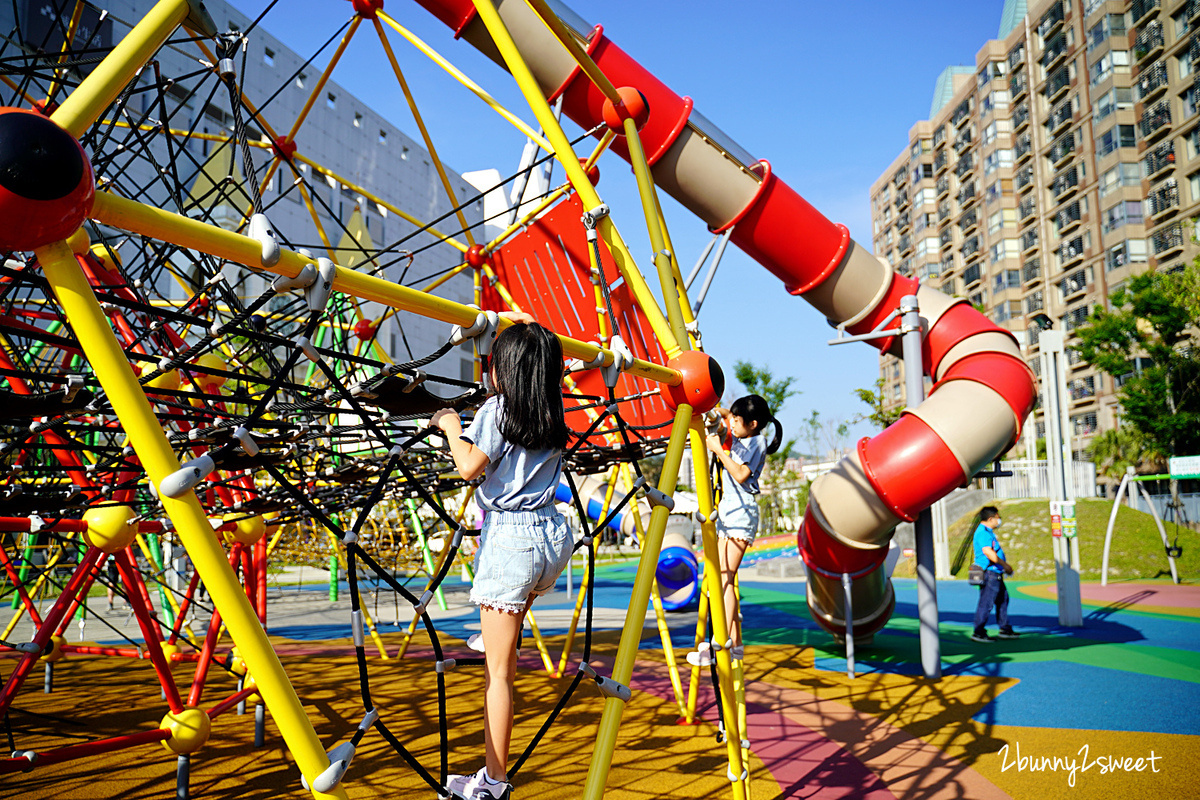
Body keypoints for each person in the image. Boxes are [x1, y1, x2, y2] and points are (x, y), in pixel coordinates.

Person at [432, 312, 571, 800]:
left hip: (511, 539)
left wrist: (451, 425)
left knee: (499, 676)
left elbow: (469, 466)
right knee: (506, 625)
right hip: (552, 537)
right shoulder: (552, 410)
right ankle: (495, 634)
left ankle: (492, 781)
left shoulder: (497, 411)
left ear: (503, 370)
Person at [687, 395, 782, 666]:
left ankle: (717, 644)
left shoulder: (757, 441)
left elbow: (741, 474)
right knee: (718, 577)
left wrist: (718, 449)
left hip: (741, 512)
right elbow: (727, 415)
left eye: (738, 422)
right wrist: (718, 411)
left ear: (753, 424)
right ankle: (736, 642)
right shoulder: (742, 435)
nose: (734, 424)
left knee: (724, 580)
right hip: (729, 510)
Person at [971, 505, 1019, 643]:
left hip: (995, 573)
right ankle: (978, 632)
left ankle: (1005, 628)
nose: (999, 521)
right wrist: (1005, 565)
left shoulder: (987, 532)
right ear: (991, 518)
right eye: (998, 518)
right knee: (986, 603)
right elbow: (988, 551)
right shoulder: (983, 533)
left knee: (1003, 599)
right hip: (990, 573)